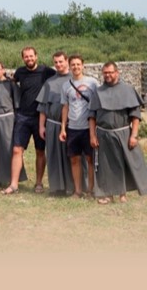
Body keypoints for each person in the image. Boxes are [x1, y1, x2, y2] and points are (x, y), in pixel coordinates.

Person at [88, 62, 147, 204]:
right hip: (103, 134)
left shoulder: (128, 90)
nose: (108, 75)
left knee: (123, 164)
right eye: (105, 73)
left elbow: (135, 116)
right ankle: (108, 194)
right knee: (106, 165)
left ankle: (122, 194)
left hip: (123, 133)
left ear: (117, 72)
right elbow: (91, 116)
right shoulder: (98, 91)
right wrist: (92, 135)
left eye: (110, 72)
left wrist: (133, 135)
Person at [2, 47, 56, 195]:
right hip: (23, 116)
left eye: (31, 56)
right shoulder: (20, 72)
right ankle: (13, 184)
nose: (29, 59)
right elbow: (11, 82)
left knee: (40, 151)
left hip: (41, 117)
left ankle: (39, 183)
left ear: (36, 56)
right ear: (23, 58)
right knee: (17, 150)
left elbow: (60, 80)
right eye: (26, 57)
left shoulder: (47, 72)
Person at [59, 54, 98, 198]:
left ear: (83, 65)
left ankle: (91, 190)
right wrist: (63, 127)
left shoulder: (93, 83)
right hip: (73, 128)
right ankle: (78, 190)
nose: (75, 67)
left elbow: (98, 104)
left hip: (88, 128)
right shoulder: (66, 85)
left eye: (78, 64)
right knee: (74, 159)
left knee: (90, 159)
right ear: (69, 66)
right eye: (73, 64)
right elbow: (65, 107)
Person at [36, 51, 73, 196]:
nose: (58, 64)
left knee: (73, 156)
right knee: (53, 156)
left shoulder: (75, 80)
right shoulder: (49, 82)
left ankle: (74, 187)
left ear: (67, 61)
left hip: (72, 125)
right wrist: (41, 126)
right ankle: (57, 188)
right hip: (52, 124)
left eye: (61, 61)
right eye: (56, 62)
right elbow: (43, 107)